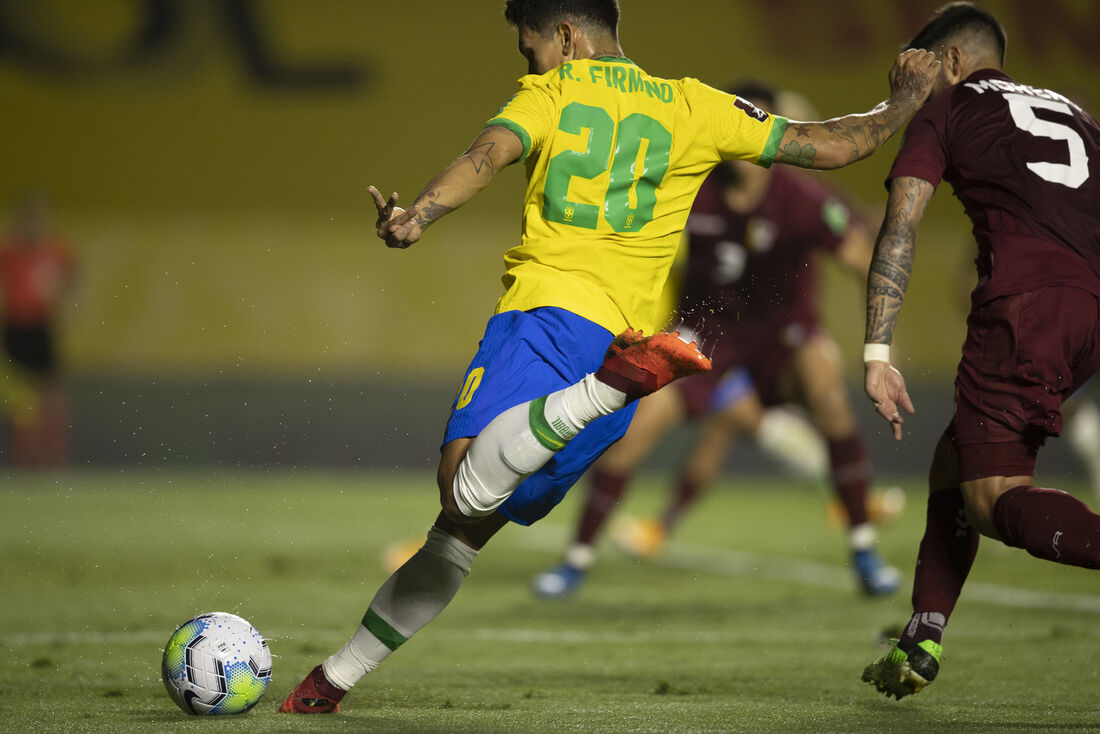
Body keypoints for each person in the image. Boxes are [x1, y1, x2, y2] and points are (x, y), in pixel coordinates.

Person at [279, 0, 938, 713]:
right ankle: (327, 685)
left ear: (565, 35)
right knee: (463, 532)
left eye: (530, 46)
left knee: (460, 487)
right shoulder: (696, 106)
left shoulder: (553, 92)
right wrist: (904, 98)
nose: (528, 62)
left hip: (547, 316)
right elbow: (838, 143)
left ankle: (602, 392)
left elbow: (486, 155)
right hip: (623, 343)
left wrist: (421, 214)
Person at [532, 82, 902, 601]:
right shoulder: (690, 188)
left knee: (828, 396)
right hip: (705, 341)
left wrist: (879, 346)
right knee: (630, 434)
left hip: (784, 338)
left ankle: (864, 550)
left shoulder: (800, 198)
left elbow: (865, 259)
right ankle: (575, 560)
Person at [859, 1, 1100, 700]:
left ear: (953, 61)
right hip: (1089, 308)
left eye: (922, 71)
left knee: (995, 500)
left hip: (1028, 306)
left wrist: (878, 349)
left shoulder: (950, 104)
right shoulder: (1076, 111)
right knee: (956, 460)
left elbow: (901, 223)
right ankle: (922, 637)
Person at [0, 194, 76, 467]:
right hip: (16, 327)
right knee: (19, 395)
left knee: (51, 393)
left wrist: (69, 306)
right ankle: (24, 455)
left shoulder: (55, 250)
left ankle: (53, 454)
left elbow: (73, 278)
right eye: (29, 218)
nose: (33, 224)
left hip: (42, 327)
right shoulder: (9, 252)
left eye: (39, 218)